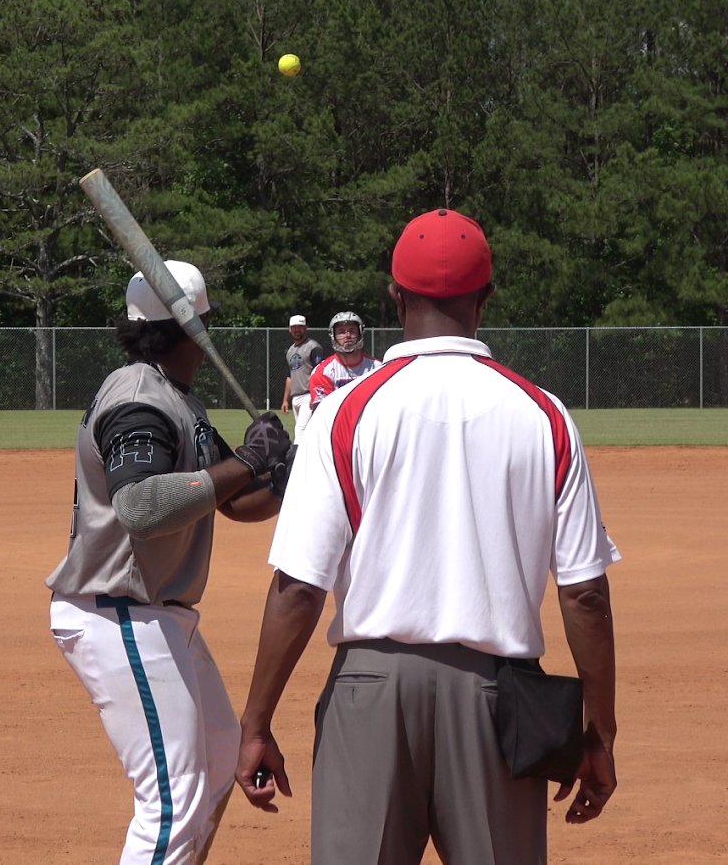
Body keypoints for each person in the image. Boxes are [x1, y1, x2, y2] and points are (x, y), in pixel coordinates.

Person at [234, 209, 621, 865]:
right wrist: (599, 732)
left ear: (395, 296)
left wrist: (256, 723)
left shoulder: (344, 413)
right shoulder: (545, 415)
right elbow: (584, 594)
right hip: (500, 698)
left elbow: (298, 587)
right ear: (485, 298)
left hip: (370, 691)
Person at [45, 260, 293, 865]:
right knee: (173, 797)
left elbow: (231, 501)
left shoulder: (177, 399)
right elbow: (142, 506)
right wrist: (247, 461)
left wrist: (280, 479)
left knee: (218, 757)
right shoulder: (140, 400)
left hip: (153, 615)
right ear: (194, 330)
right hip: (120, 611)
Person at [305, 311, 381, 408]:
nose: (347, 335)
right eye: (341, 332)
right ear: (333, 335)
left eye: (352, 331)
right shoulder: (323, 372)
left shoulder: (378, 367)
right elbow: (325, 412)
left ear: (360, 333)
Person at [281, 315, 324, 432]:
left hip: (308, 395)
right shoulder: (290, 351)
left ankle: (296, 447)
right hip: (295, 397)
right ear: (289, 329)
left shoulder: (313, 347)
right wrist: (285, 400)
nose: (297, 330)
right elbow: (289, 377)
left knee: (300, 430)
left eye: (300, 327)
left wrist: (315, 395)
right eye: (294, 327)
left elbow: (319, 372)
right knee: (307, 431)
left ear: (305, 328)